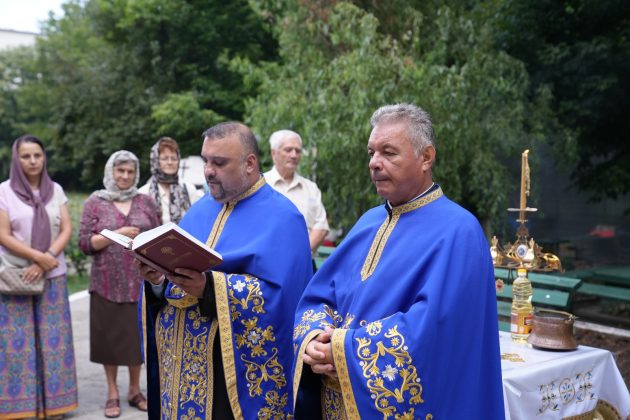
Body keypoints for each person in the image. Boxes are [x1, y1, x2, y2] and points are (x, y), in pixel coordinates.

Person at [292, 104, 504, 419]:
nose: (374, 163)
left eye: (388, 153)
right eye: (371, 153)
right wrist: (314, 338)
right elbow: (322, 295)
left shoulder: (460, 231)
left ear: (426, 157)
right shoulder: (369, 221)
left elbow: (436, 329)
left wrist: (342, 349)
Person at [138, 122, 313, 419]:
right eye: (206, 160)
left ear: (249, 163)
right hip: (181, 369)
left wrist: (209, 289)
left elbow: (285, 301)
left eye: (219, 163)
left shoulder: (284, 218)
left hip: (229, 379)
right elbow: (173, 278)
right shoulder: (200, 209)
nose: (208, 171)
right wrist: (157, 279)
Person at [0, 135, 78, 420]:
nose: (32, 161)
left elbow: (66, 228)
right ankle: (19, 407)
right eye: (26, 156)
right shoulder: (4, 191)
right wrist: (37, 258)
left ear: (44, 157)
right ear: (16, 159)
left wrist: (47, 259)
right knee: (16, 343)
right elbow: (3, 234)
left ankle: (56, 405)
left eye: (37, 155)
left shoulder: (55, 190)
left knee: (54, 342)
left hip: (52, 275)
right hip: (17, 276)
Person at [79, 150, 160, 418]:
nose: (125, 176)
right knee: (109, 340)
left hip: (140, 283)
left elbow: (159, 235)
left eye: (130, 171)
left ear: (136, 174)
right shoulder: (95, 202)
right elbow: (85, 243)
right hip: (106, 283)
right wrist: (117, 234)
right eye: (120, 171)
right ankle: (112, 392)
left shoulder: (146, 202)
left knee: (137, 339)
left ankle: (135, 390)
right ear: (110, 172)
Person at [264, 130, 329, 253]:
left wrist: (299, 254)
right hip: (266, 259)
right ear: (273, 153)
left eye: (298, 151)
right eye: (288, 150)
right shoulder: (260, 185)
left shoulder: (311, 188)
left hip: (303, 259)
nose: (294, 155)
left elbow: (321, 226)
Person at [138, 136, 201, 224]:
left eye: (174, 158)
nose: (170, 162)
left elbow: (197, 220)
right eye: (165, 158)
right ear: (156, 161)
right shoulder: (143, 193)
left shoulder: (189, 190)